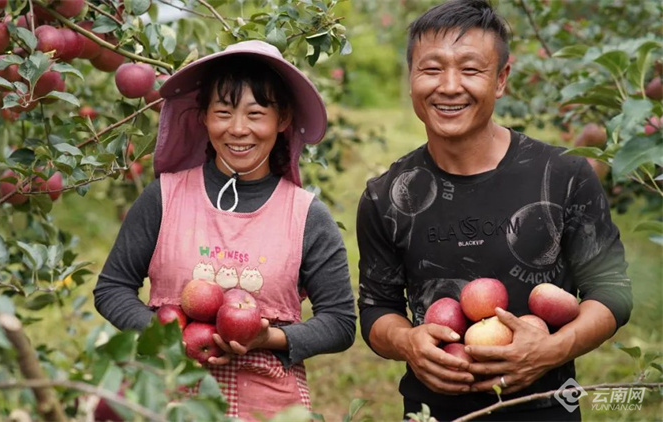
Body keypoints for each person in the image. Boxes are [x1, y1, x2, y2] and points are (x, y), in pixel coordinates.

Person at [356, 0, 633, 420]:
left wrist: (552, 350)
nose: (449, 86)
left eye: (470, 70)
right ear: (411, 77)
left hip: (546, 410)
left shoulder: (564, 175)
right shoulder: (387, 196)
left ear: (501, 80)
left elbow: (612, 291)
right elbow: (377, 307)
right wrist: (407, 343)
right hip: (434, 411)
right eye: (431, 69)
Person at [94, 40, 356, 420]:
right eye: (223, 112)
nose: (238, 129)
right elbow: (111, 287)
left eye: (255, 113)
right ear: (202, 116)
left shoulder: (306, 215)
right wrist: (165, 335)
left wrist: (270, 338)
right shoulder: (164, 197)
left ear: (282, 120)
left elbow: (340, 322)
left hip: (268, 406)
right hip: (167, 397)